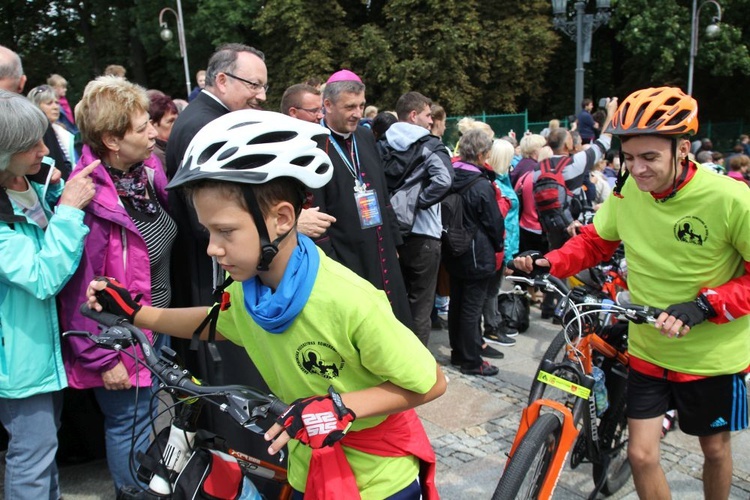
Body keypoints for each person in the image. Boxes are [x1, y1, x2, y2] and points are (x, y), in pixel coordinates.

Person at [84, 109, 447, 498]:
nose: (212, 247)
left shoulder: (347, 300)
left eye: (225, 231)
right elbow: (215, 323)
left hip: (378, 480)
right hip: (308, 466)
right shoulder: (249, 289)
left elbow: (431, 383)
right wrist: (137, 314)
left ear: (281, 218)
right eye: (208, 231)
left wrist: (342, 406)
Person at [514, 86, 749, 500]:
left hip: (712, 356)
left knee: (714, 449)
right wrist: (552, 261)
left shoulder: (730, 198)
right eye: (629, 157)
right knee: (641, 456)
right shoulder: (626, 194)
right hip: (649, 348)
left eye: (650, 158)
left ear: (683, 149)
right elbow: (593, 243)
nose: (637, 170)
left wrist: (705, 304)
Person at [57, 76, 176, 494]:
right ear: (111, 139)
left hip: (155, 324)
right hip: (119, 341)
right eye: (142, 127)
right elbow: (76, 291)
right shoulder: (88, 198)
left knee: (149, 423)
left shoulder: (145, 172)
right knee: (130, 428)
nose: (152, 132)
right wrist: (101, 358)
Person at [0, 89, 97, 500]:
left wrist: (55, 194)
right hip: (21, 361)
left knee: (44, 451)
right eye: (31, 146)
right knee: (32, 455)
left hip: (42, 353)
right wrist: (71, 210)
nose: (44, 148)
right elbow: (41, 275)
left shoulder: (28, 183)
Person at [312, 69, 413, 327]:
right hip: (347, 257)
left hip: (381, 247)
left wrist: (394, 244)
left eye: (361, 105)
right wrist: (331, 266)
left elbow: (381, 192)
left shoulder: (365, 136)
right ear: (327, 105)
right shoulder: (314, 145)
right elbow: (316, 214)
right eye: (350, 107)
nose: (358, 113)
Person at [378, 91, 453, 346]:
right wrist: (418, 203)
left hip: (388, 232)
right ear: (413, 115)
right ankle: (418, 372)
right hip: (424, 235)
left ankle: (391, 361)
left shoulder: (379, 144)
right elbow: (445, 180)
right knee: (421, 304)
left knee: (392, 300)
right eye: (427, 115)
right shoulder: (431, 145)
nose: (431, 121)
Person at [535, 99, 617, 319]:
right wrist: (611, 113)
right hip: (574, 223)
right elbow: (604, 143)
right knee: (573, 265)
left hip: (549, 224)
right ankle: (565, 309)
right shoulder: (575, 164)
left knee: (553, 259)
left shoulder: (538, 169)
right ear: (567, 145)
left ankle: (548, 305)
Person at [444, 129, 505, 376]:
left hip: (454, 248)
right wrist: (499, 246)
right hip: (477, 253)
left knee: (458, 303)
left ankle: (459, 352)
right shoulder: (480, 185)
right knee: (471, 309)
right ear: (481, 154)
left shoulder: (451, 175)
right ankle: (471, 360)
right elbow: (494, 222)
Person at [482, 138, 519, 346]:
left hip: (506, 244)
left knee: (493, 288)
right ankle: (491, 327)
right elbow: (499, 219)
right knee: (491, 289)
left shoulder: (503, 179)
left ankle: (493, 323)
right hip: (500, 245)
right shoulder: (496, 183)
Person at [27, 85, 78, 171]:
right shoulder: (33, 134)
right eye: (49, 103)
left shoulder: (63, 132)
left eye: (57, 102)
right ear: (35, 106)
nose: (56, 107)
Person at [148, 92, 178, 171]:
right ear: (152, 124)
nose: (177, 125)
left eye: (177, 120)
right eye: (171, 121)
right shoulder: (155, 155)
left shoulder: (170, 147)